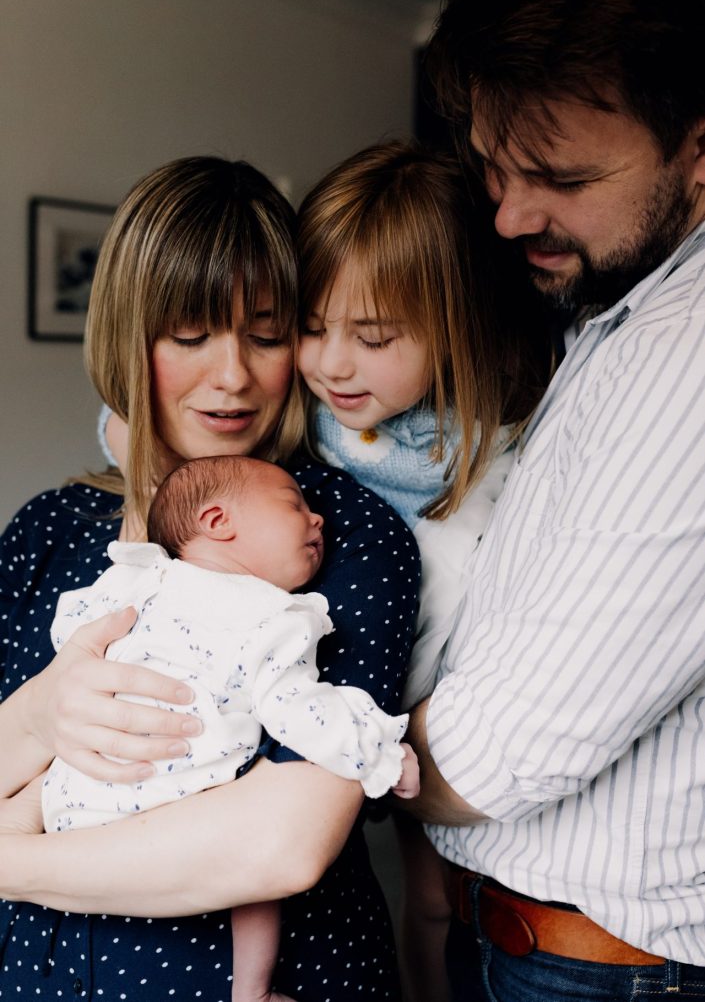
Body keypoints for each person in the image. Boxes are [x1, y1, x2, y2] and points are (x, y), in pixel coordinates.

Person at [0, 155, 421, 1001]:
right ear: (126, 336)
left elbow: (276, 844)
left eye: (265, 335)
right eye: (189, 336)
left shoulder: (332, 538)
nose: (233, 376)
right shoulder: (52, 529)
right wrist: (40, 712)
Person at [400, 0, 705, 1000]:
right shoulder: (615, 313)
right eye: (492, 167)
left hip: (604, 970)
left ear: (700, 148)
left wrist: (281, 755)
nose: (509, 216)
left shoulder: (688, 357)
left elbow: (505, 747)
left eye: (563, 179)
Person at [295, 140, 550, 1002]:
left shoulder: (505, 440)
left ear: (455, 327)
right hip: (340, 716)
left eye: (371, 338)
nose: (332, 364)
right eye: (309, 326)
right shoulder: (304, 434)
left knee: (441, 901)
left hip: (453, 719)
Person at [44, 453, 420, 1002]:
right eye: (295, 504)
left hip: (75, 804)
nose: (317, 519)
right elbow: (300, 711)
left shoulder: (134, 579)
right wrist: (383, 755)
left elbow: (70, 636)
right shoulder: (273, 617)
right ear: (219, 522)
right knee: (253, 880)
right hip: (182, 812)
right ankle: (253, 990)